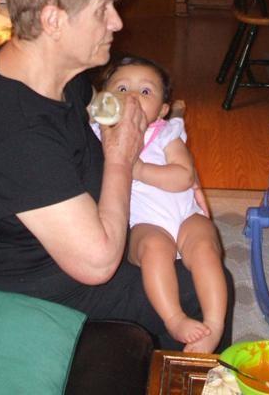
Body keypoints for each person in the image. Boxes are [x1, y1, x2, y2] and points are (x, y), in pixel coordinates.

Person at [0, 0, 233, 351]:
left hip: (75, 230)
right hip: (38, 290)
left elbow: (107, 116)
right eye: (103, 9)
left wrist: (180, 174)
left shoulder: (58, 76)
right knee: (203, 290)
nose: (117, 21)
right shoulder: (13, 136)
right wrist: (121, 159)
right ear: (53, 20)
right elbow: (95, 264)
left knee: (199, 246)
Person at [93, 56, 227, 353]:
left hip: (185, 214)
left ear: (162, 110)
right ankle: (174, 318)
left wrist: (137, 169)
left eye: (145, 92)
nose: (131, 98)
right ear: (105, 100)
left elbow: (183, 176)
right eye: (122, 88)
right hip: (144, 222)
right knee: (154, 250)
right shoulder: (100, 131)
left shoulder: (166, 133)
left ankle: (214, 324)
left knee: (205, 248)